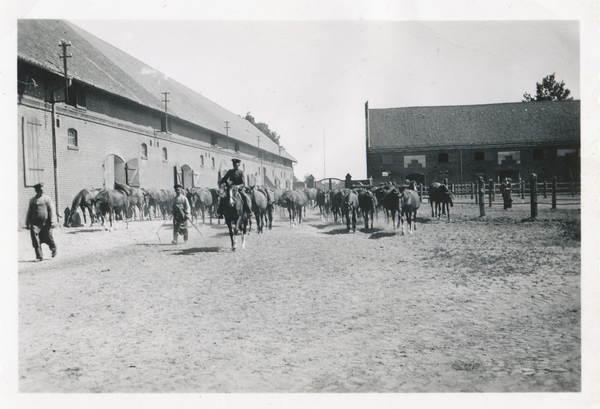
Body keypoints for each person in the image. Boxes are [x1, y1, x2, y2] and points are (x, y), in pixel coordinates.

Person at [25, 182, 58, 261]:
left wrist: (53, 221)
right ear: (36, 191)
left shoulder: (47, 199)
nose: (42, 191)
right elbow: (29, 212)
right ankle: (39, 256)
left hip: (46, 223)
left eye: (42, 189)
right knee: (35, 239)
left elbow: (52, 210)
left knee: (48, 237)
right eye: (40, 190)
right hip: (35, 223)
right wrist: (27, 223)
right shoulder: (32, 200)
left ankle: (53, 249)